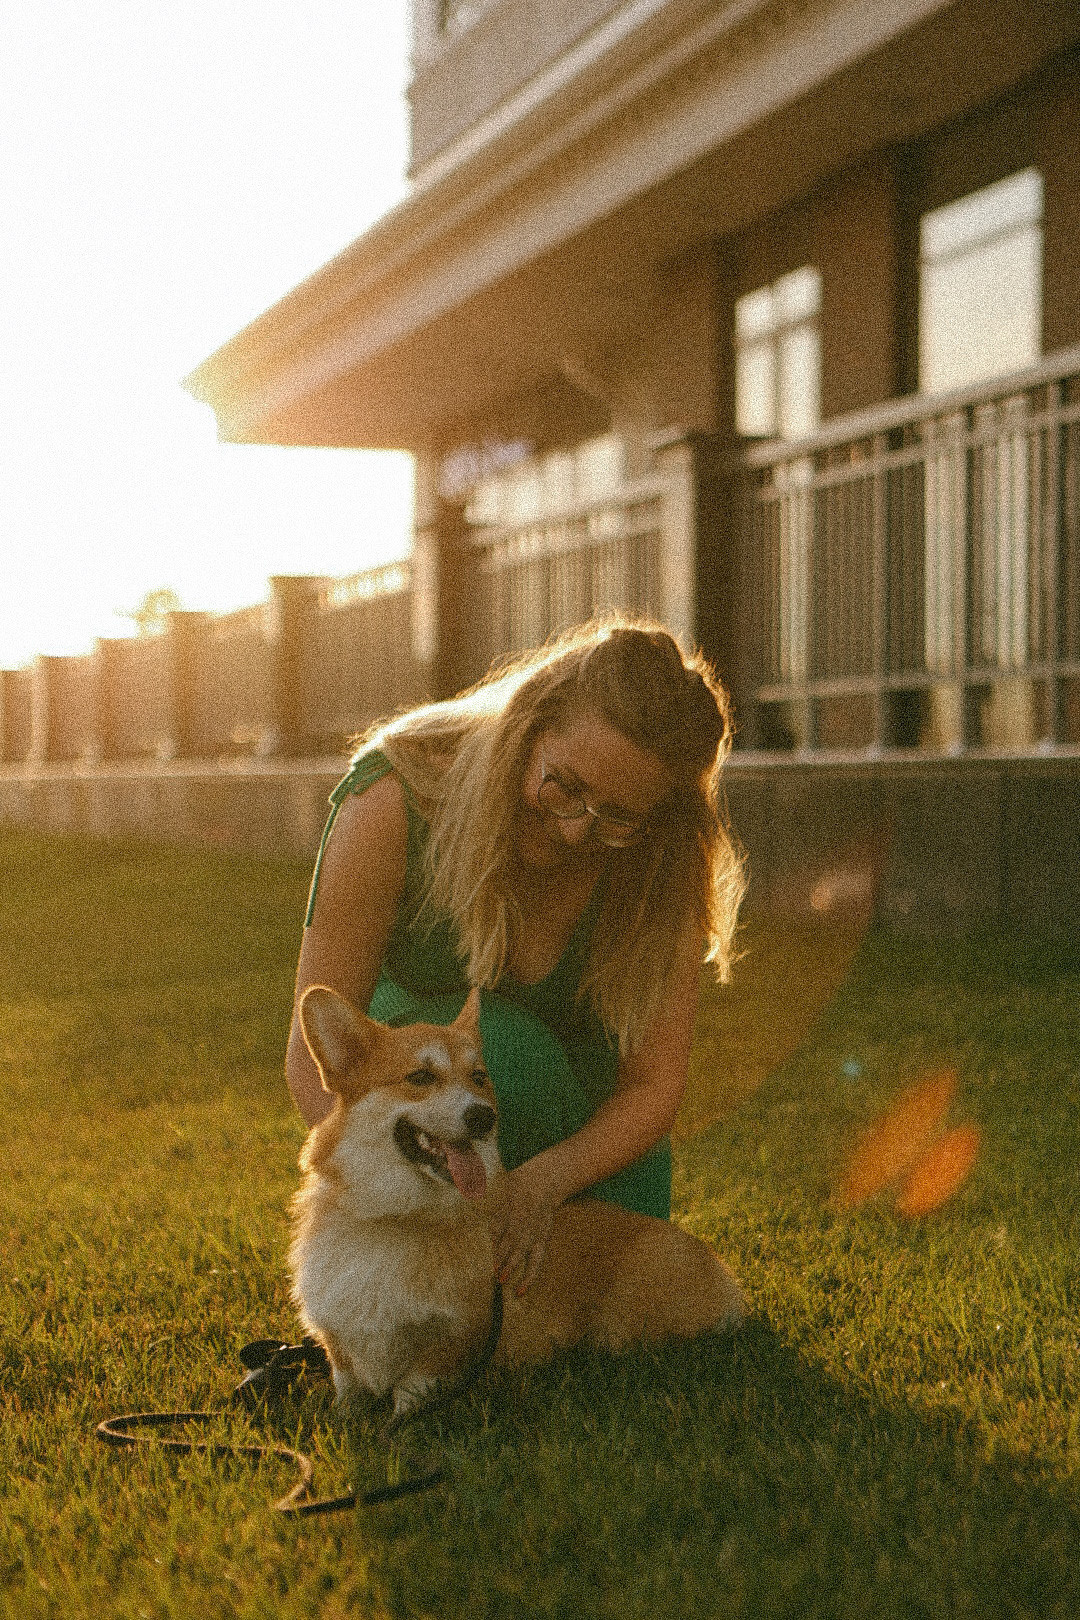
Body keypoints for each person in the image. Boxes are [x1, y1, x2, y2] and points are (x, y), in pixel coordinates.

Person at [286, 617, 745, 1296]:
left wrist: (540, 1186)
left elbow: (653, 1086)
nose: (574, 830)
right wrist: (403, 1200)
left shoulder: (663, 855)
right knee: (507, 1050)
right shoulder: (393, 796)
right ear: (529, 725)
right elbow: (311, 1055)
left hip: (585, 1141)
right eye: (564, 787)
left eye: (616, 817)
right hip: (425, 1099)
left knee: (628, 1292)